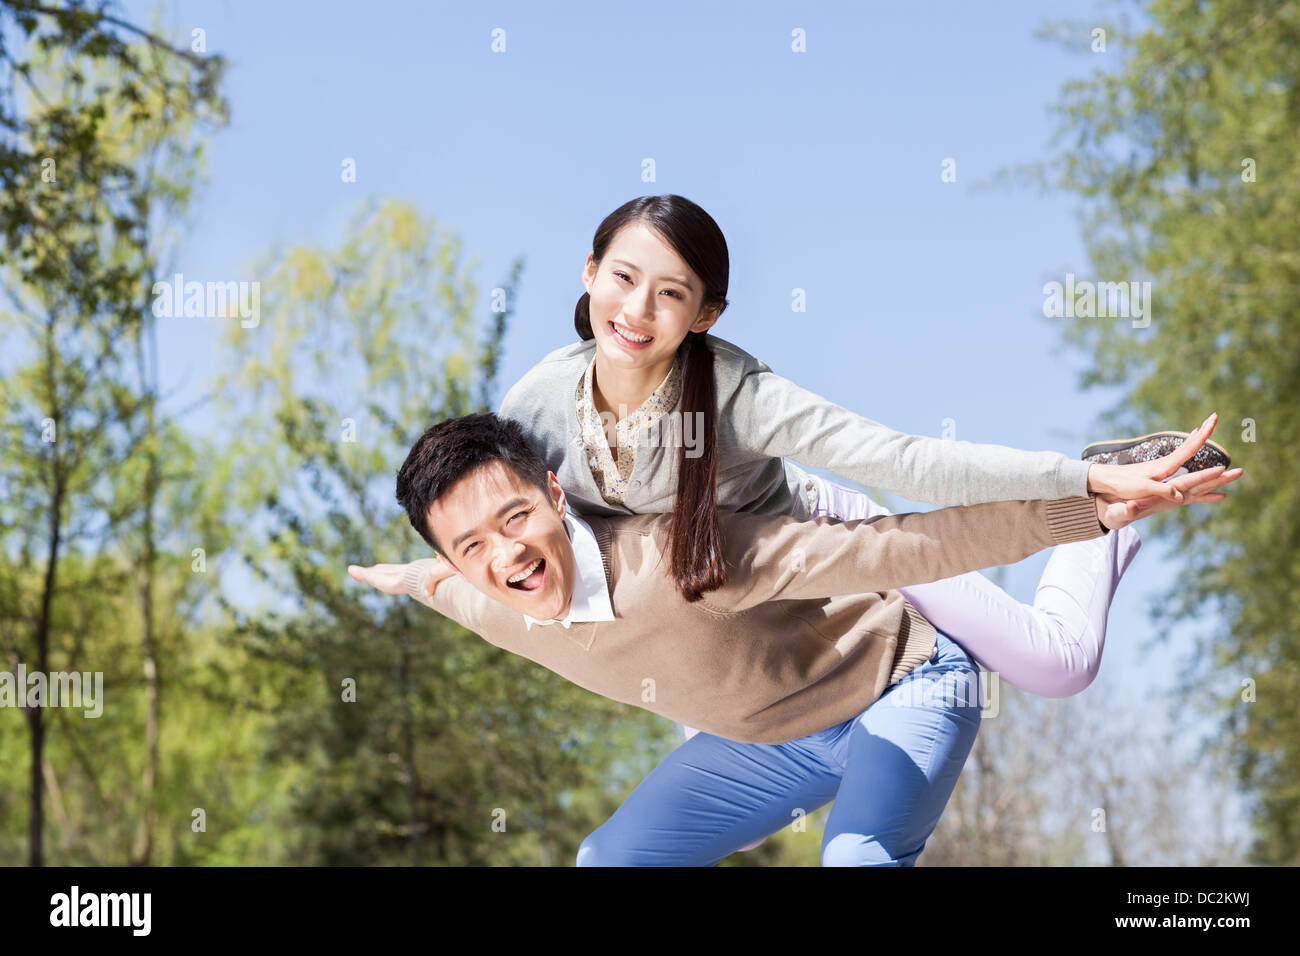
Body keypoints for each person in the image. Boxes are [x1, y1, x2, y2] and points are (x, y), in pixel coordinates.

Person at [348, 412, 1239, 866]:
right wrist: (398, 576)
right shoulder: (484, 595)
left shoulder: (675, 557)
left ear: (553, 491)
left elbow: (908, 544)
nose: (507, 557)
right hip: (769, 744)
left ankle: (1118, 517)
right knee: (608, 860)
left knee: (1051, 672)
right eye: (472, 549)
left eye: (516, 520)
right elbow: (432, 583)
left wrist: (1087, 502)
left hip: (898, 682)